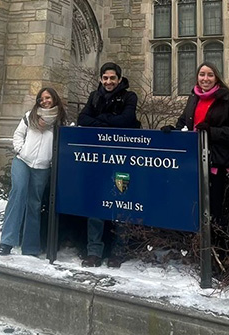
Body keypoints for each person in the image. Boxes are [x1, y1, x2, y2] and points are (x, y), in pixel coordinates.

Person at [162, 62, 229, 222]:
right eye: (202, 74)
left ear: (216, 78)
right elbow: (184, 123)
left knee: (214, 211)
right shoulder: (193, 97)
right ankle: (194, 243)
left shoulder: (226, 99)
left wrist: (212, 132)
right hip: (193, 162)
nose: (205, 78)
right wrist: (173, 130)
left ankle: (214, 243)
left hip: (216, 162)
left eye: (210, 75)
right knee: (194, 208)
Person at [77, 62, 140, 268]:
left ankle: (119, 250)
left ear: (119, 79)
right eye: (105, 78)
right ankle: (94, 250)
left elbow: (127, 120)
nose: (109, 82)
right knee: (96, 201)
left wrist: (101, 120)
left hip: (123, 159)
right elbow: (82, 118)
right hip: (98, 159)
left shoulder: (129, 97)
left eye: (112, 78)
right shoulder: (94, 97)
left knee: (122, 202)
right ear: (101, 79)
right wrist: (108, 123)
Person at [0, 87, 67, 256]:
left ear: (54, 99)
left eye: (48, 97)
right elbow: (18, 135)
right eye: (41, 99)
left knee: (34, 204)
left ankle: (30, 248)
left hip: (42, 167)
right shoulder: (30, 116)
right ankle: (7, 242)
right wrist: (20, 150)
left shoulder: (59, 121)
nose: (44, 101)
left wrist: (51, 160)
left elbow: (62, 145)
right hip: (22, 162)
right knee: (18, 193)